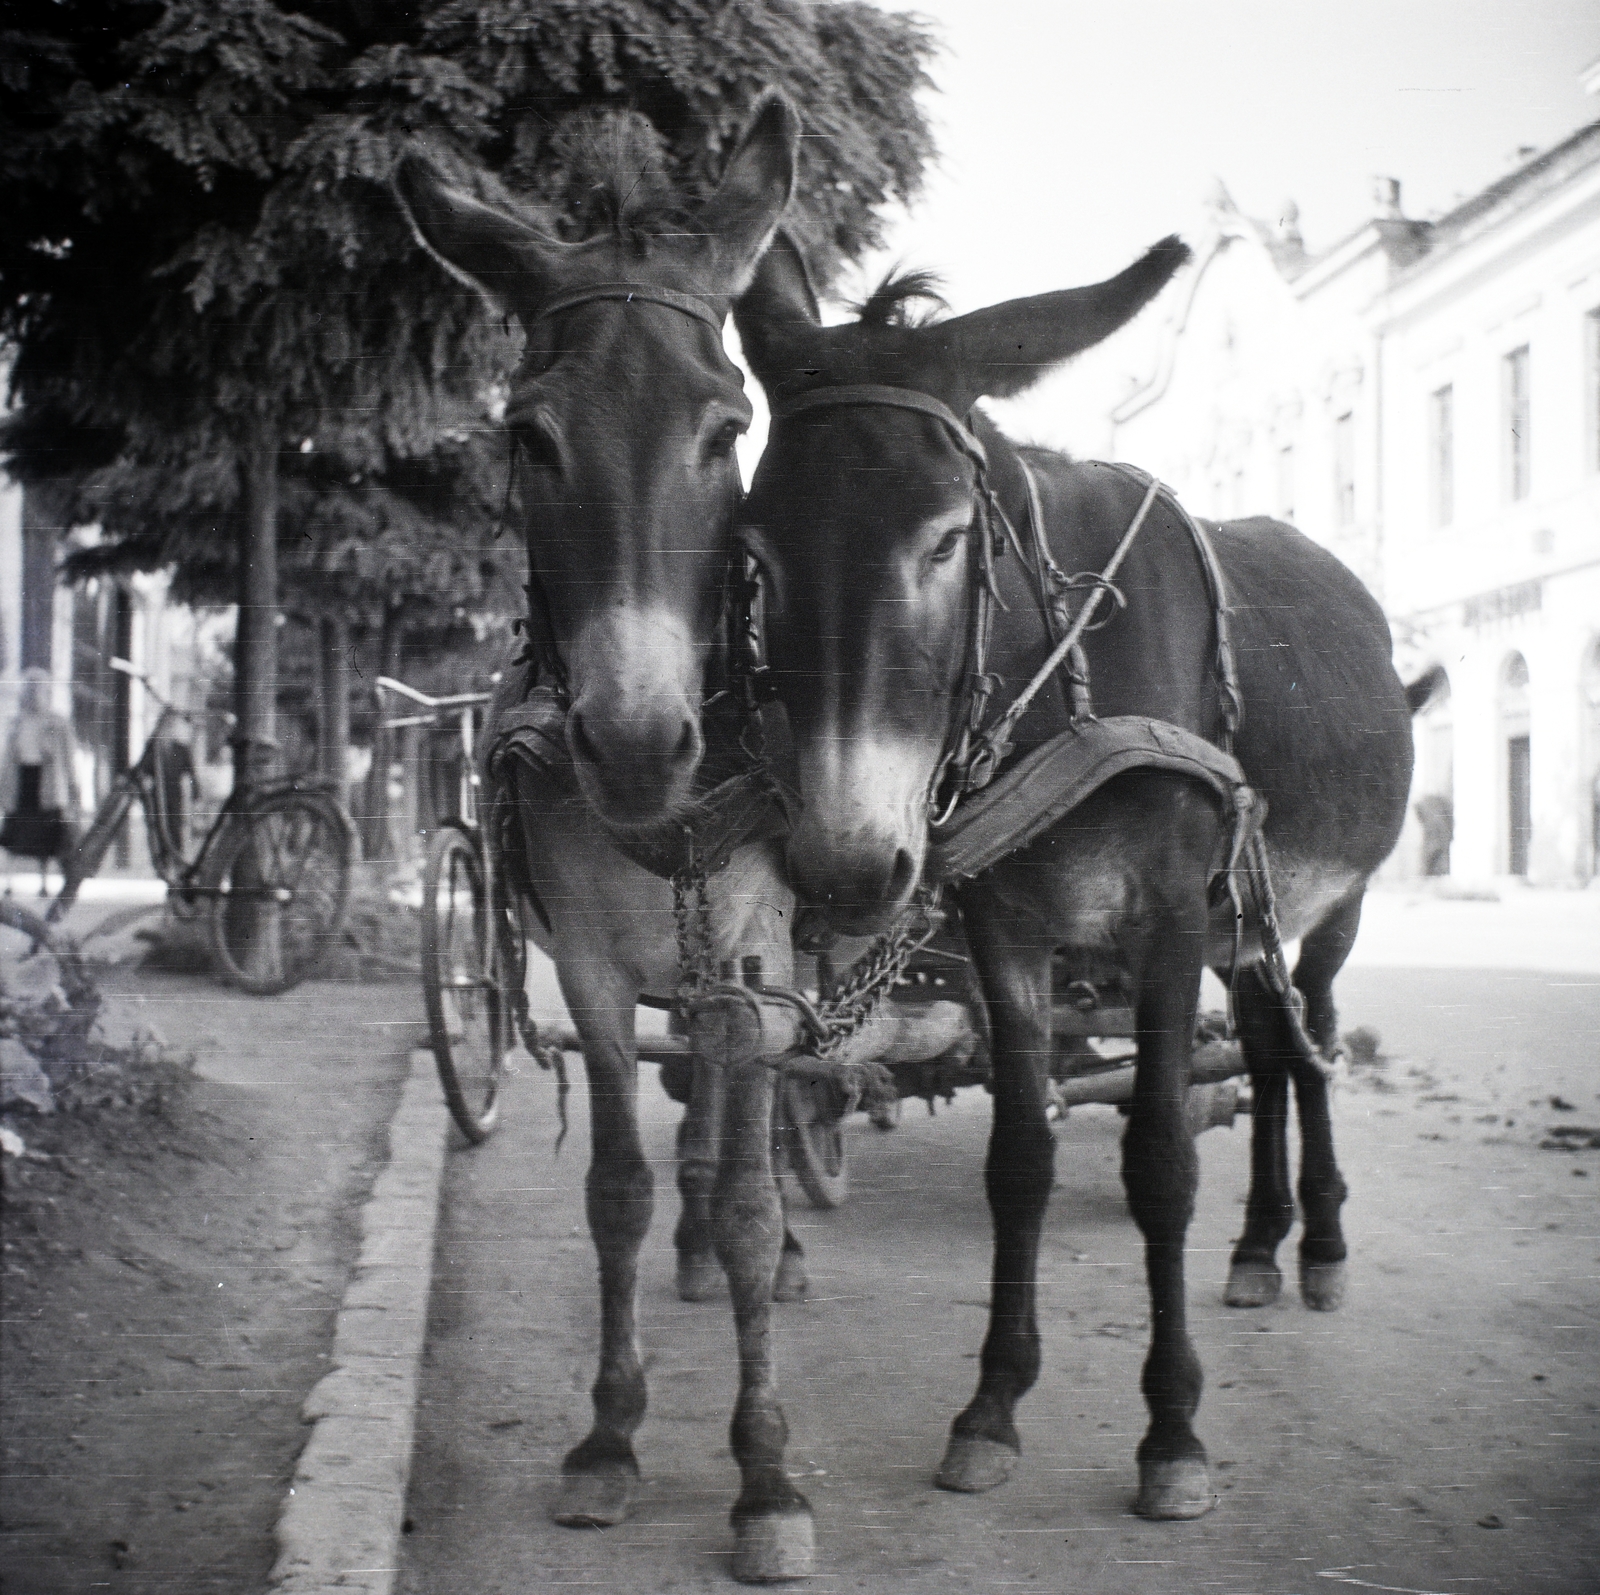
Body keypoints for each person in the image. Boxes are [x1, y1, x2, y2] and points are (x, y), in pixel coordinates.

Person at [1, 668, 81, 890]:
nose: (35, 695)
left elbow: (69, 758)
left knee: (45, 836)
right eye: (31, 690)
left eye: (40, 690)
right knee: (14, 834)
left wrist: (73, 787)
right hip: (21, 783)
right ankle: (9, 881)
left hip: (46, 785)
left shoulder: (58, 723)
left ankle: (44, 882)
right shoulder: (17, 722)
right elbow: (7, 759)